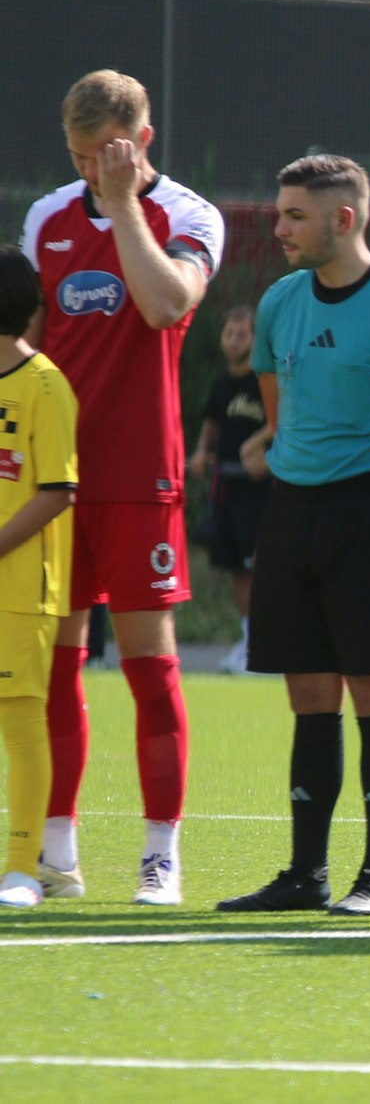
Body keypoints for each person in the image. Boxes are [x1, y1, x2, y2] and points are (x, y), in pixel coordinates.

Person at [22, 69, 225, 906]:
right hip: (55, 481)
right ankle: (54, 851)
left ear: (140, 142)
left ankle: (159, 855)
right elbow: (27, 343)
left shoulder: (188, 216)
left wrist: (124, 206)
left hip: (142, 472)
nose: (84, 173)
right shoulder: (46, 217)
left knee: (148, 664)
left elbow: (162, 303)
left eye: (97, 155)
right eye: (73, 157)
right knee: (55, 664)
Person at [214, 155, 370, 917]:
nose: (280, 227)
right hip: (292, 512)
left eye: (296, 214)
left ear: (346, 218)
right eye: (280, 212)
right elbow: (279, 405)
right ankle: (306, 873)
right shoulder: (278, 301)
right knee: (308, 696)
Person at [0, 244, 80, 910]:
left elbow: (57, 489)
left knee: (21, 725)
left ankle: (23, 868)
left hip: (22, 590)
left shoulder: (45, 384)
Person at [188, 305, 270, 674]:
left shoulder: (265, 381)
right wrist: (202, 452)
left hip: (261, 491)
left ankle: (270, 643)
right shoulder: (222, 385)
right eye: (229, 334)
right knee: (237, 566)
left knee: (263, 565)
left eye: (242, 334)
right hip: (228, 491)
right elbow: (211, 423)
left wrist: (260, 452)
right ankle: (251, 639)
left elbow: (281, 423)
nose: (234, 341)